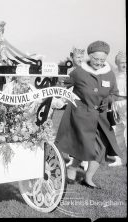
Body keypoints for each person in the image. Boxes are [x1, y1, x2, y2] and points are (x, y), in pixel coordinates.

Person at [55, 41, 121, 189]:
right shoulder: (79, 72)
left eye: (102, 60)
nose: (99, 62)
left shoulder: (109, 74)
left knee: (101, 148)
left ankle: (88, 178)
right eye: (96, 59)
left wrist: (109, 100)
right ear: (90, 56)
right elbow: (63, 85)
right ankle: (72, 170)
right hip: (81, 115)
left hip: (102, 118)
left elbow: (114, 93)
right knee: (83, 145)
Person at [108, 51, 126, 166]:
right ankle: (118, 159)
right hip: (116, 105)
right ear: (117, 63)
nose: (124, 65)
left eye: (126, 62)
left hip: (125, 105)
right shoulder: (113, 74)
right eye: (122, 63)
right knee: (116, 132)